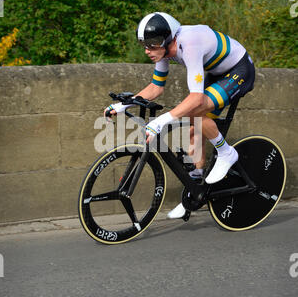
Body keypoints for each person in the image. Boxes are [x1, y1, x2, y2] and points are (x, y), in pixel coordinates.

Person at [104, 12, 255, 219]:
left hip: (239, 69)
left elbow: (196, 99)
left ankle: (227, 153)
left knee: (195, 111)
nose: (148, 50)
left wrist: (160, 121)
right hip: (217, 72)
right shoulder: (164, 51)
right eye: (145, 45)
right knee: (194, 131)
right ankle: (195, 191)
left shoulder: (189, 44)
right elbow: (156, 87)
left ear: (168, 39)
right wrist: (122, 105)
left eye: (153, 44)